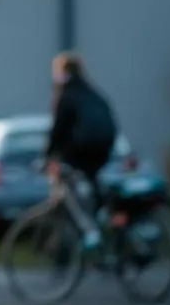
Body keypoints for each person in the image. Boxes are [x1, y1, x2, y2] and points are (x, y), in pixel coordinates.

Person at [44, 52, 118, 216]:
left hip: (83, 146)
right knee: (90, 179)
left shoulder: (67, 94)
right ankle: (101, 214)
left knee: (67, 174)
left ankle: (87, 227)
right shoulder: (91, 91)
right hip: (105, 144)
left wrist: (47, 155)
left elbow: (58, 129)